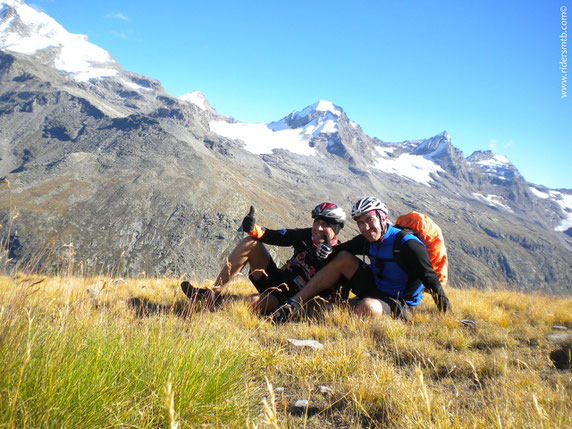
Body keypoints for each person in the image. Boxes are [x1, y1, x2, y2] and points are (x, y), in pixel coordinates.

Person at [270, 196, 451, 322]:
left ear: (383, 218)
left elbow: (431, 279)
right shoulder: (365, 240)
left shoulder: (407, 244)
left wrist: (447, 316)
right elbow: (340, 252)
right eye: (360, 223)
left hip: (400, 301)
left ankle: (347, 309)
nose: (365, 227)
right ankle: (294, 304)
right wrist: (328, 252)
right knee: (343, 258)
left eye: (369, 220)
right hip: (375, 288)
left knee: (367, 307)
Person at [181, 202, 347, 314]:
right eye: (316, 222)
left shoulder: (339, 256)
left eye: (325, 225)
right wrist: (253, 228)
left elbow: (339, 296)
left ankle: (213, 307)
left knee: (249, 302)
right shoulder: (304, 235)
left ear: (335, 229)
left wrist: (328, 257)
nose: (318, 228)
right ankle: (212, 294)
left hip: (291, 301)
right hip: (276, 282)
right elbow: (276, 236)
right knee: (250, 242)